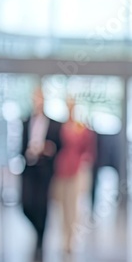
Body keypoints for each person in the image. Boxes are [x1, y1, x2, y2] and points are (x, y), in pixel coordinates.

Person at [22, 88, 62, 262]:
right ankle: (36, 229)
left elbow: (59, 147)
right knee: (26, 204)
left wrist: (48, 149)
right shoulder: (25, 121)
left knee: (42, 205)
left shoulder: (54, 124)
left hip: (45, 170)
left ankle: (41, 238)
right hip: (29, 168)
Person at [52, 98, 95, 253]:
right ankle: (63, 236)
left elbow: (88, 150)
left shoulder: (80, 127)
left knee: (73, 205)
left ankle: (71, 238)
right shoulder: (60, 126)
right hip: (61, 170)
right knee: (61, 206)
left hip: (75, 170)